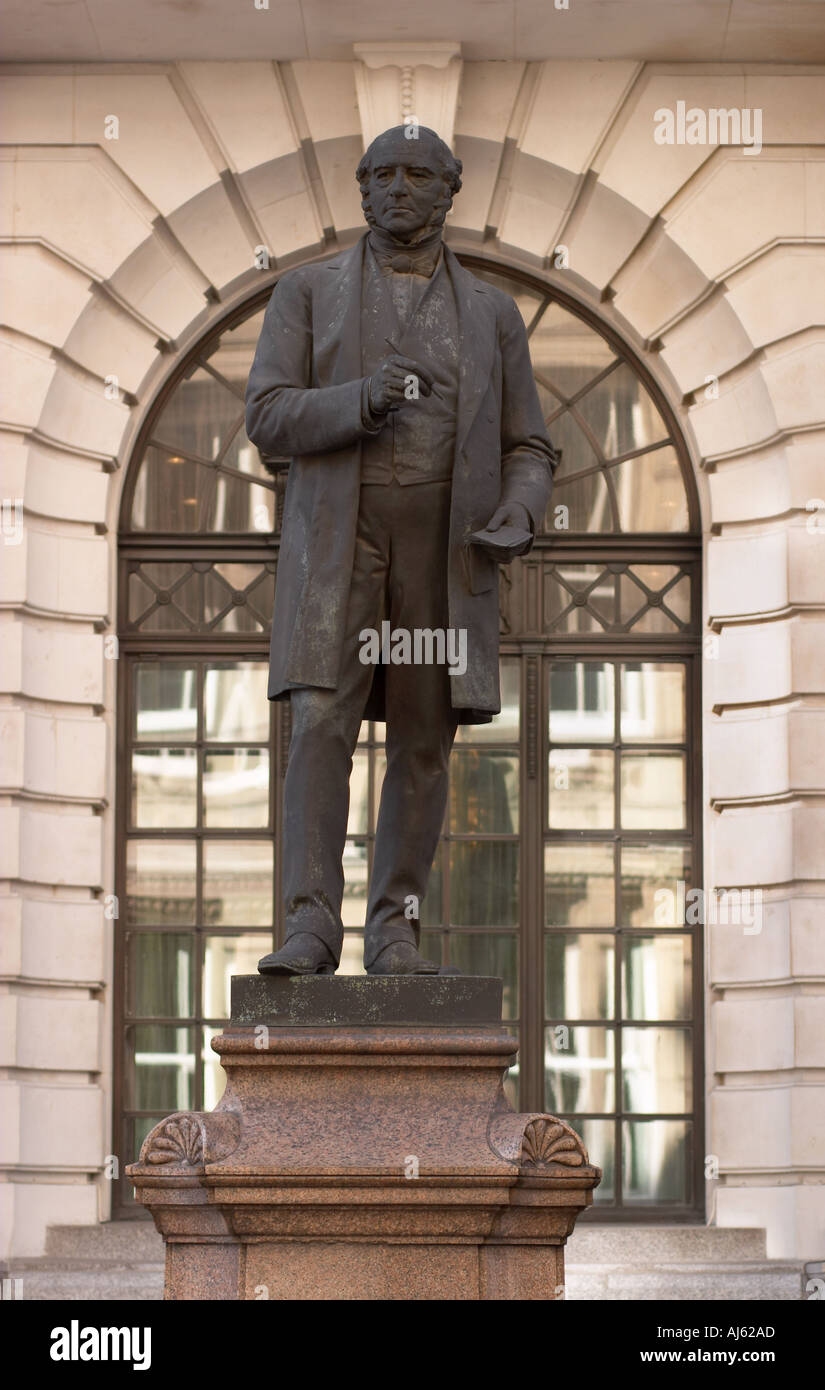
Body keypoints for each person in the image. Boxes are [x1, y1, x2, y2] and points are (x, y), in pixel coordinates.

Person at [245, 124, 556, 975]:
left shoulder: (491, 314)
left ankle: (395, 930)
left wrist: (521, 512)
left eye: (417, 174)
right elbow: (266, 414)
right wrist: (356, 400)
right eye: (379, 175)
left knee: (423, 740)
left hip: (442, 552)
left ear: (450, 189)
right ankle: (310, 925)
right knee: (318, 725)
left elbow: (530, 444)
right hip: (340, 546)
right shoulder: (306, 293)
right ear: (361, 188)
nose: (396, 189)